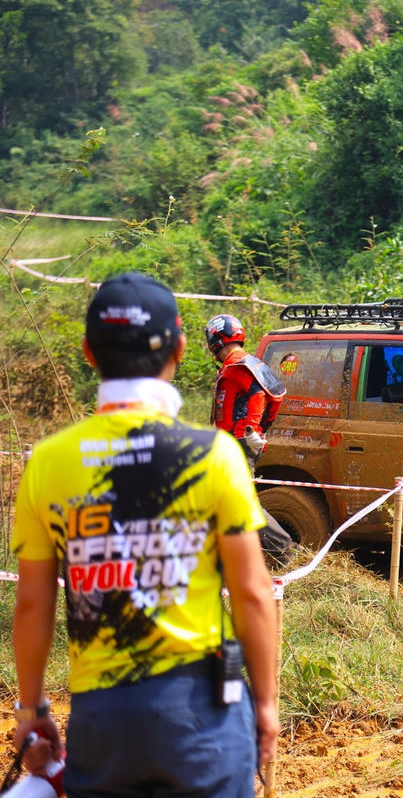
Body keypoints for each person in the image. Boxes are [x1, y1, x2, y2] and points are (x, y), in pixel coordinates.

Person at [11, 272, 279, 797]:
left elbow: (33, 604)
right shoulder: (214, 456)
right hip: (202, 715)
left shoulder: (46, 463)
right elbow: (251, 592)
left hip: (101, 720)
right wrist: (266, 704)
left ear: (89, 352)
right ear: (179, 348)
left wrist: (32, 710)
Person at [205, 314, 285, 462]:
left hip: (237, 441)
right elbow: (276, 397)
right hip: (237, 440)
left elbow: (258, 394)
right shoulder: (249, 361)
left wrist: (252, 430)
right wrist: (260, 429)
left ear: (215, 340)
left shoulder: (236, 365)